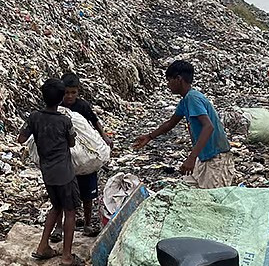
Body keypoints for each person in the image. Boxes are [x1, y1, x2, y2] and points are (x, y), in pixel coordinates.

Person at [133, 60, 235, 188]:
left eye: (169, 80)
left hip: (216, 160)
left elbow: (208, 126)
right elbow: (171, 123)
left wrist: (191, 158)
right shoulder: (185, 101)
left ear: (178, 79)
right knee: (186, 190)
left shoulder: (193, 98)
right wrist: (149, 136)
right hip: (204, 158)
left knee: (214, 198)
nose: (168, 85)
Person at [17, 78, 84, 266]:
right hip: (64, 173)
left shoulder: (34, 117)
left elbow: (21, 138)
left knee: (56, 207)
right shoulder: (64, 121)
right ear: (61, 98)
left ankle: (43, 247)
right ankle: (66, 257)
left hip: (47, 172)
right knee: (70, 211)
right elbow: (72, 143)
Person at [54, 72, 112, 238]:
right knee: (61, 195)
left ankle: (87, 224)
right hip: (66, 155)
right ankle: (59, 227)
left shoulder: (82, 106)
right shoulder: (57, 107)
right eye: (66, 92)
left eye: (73, 92)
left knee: (88, 194)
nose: (70, 96)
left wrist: (104, 137)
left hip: (85, 156)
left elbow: (94, 122)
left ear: (78, 91)